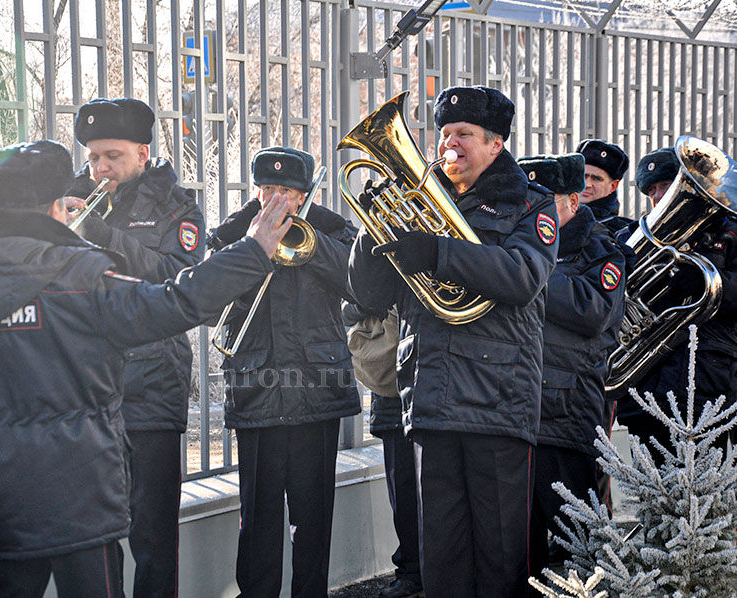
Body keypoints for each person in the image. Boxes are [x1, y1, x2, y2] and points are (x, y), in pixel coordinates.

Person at [0, 140, 291, 598]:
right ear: (57, 204)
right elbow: (177, 302)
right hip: (83, 484)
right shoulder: (85, 278)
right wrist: (252, 251)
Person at [348, 85, 559, 598]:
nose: (449, 145)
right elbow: (369, 295)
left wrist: (439, 251)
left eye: (464, 134)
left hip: (497, 400)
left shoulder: (531, 205)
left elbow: (521, 277)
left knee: (500, 556)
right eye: (444, 134)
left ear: (495, 144)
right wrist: (373, 237)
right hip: (430, 399)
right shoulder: (424, 200)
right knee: (442, 558)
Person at [207, 146, 361, 598]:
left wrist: (313, 245)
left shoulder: (334, 230)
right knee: (257, 520)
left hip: (318, 392)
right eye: (268, 189)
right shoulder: (234, 233)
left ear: (304, 193)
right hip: (257, 391)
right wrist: (248, 248)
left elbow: (364, 290)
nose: (277, 199)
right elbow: (205, 304)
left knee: (313, 519)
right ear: (256, 192)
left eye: (287, 191)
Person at [68, 97, 204, 598]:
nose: (100, 169)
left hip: (152, 388)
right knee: (94, 534)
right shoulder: (69, 199)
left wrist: (100, 234)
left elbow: (176, 281)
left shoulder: (177, 207)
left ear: (143, 153)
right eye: (93, 157)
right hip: (85, 387)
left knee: (152, 535)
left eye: (113, 157)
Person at [516, 153, 626, 587]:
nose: (535, 210)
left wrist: (528, 271)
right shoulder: (521, 242)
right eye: (530, 200)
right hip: (520, 408)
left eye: (547, 200)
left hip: (569, 411)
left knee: (580, 543)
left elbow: (592, 309)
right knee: (522, 550)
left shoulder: (600, 247)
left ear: (573, 202)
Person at [616, 145, 737, 455]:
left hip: (710, 382)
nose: (658, 196)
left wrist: (710, 283)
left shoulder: (728, 234)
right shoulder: (633, 239)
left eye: (667, 185)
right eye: (652, 189)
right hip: (646, 387)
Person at [341, 302, 422, 598]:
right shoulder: (371, 255)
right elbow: (348, 306)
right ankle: (412, 571)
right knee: (401, 490)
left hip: (433, 377)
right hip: (392, 393)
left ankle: (430, 570)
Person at [576, 139, 631, 235]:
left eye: (597, 179)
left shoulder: (623, 231)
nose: (587, 184)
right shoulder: (557, 217)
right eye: (583, 176)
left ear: (613, 186)